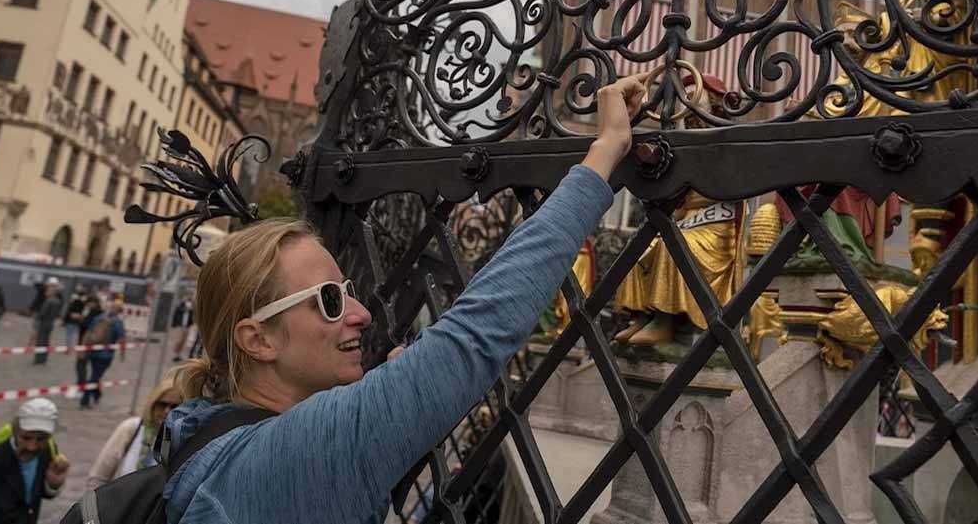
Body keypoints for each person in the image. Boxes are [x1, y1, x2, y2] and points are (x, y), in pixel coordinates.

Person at [156, 73, 645, 524]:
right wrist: (603, 154)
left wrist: (389, 407)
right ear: (257, 339)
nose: (361, 313)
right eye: (328, 300)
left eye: (348, 291)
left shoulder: (205, 437)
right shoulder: (290, 458)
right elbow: (473, 337)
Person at [0, 398, 70, 524]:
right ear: (15, 431)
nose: (32, 446)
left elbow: (31, 499)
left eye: (41, 439)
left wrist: (52, 485)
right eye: (26, 438)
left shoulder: (47, 452)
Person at [86, 376, 183, 489]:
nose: (167, 411)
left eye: (175, 406)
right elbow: (98, 477)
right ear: (152, 404)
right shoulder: (131, 428)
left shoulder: (185, 441)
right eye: (162, 404)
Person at [81, 299, 126, 409]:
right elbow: (121, 339)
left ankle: (97, 395)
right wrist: (122, 354)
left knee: (95, 375)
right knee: (94, 377)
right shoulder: (118, 322)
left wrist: (83, 347)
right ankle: (85, 401)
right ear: (120, 311)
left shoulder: (98, 318)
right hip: (106, 355)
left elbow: (88, 332)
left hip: (92, 351)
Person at [33, 280, 62, 366]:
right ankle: (44, 359)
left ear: (51, 293)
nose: (46, 293)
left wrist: (37, 316)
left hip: (44, 322)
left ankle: (38, 360)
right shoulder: (58, 301)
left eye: (47, 291)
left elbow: (42, 313)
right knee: (46, 341)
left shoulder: (49, 301)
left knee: (40, 341)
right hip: (51, 323)